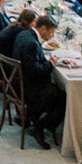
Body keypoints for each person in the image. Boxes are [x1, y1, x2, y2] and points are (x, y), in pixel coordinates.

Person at [12, 14, 65, 149]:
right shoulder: (32, 44)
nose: (52, 36)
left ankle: (31, 118)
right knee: (65, 98)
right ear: (43, 29)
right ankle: (40, 126)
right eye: (52, 32)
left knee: (57, 89)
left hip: (19, 81)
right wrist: (51, 63)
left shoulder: (25, 34)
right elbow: (35, 71)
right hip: (29, 88)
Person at [0, 8, 37, 79]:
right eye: (34, 21)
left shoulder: (14, 25)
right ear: (29, 22)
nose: (36, 24)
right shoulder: (21, 32)